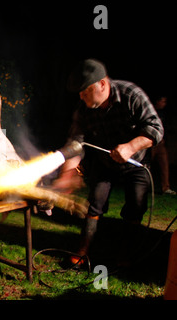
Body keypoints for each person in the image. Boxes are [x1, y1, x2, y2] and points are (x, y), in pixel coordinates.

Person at [53, 59, 164, 266]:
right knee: (94, 205)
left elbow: (156, 129)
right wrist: (66, 175)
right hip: (106, 164)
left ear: (102, 84)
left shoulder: (131, 94)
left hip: (136, 164)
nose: (81, 96)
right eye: (79, 92)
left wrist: (131, 146)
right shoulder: (84, 109)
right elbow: (76, 143)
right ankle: (82, 252)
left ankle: (126, 255)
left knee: (135, 208)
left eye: (85, 91)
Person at [151, 96, 176, 195]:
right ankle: (143, 186)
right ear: (157, 102)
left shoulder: (164, 114)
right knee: (146, 166)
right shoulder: (150, 111)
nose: (164, 104)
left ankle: (165, 188)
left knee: (164, 165)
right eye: (162, 101)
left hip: (161, 144)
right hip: (151, 144)